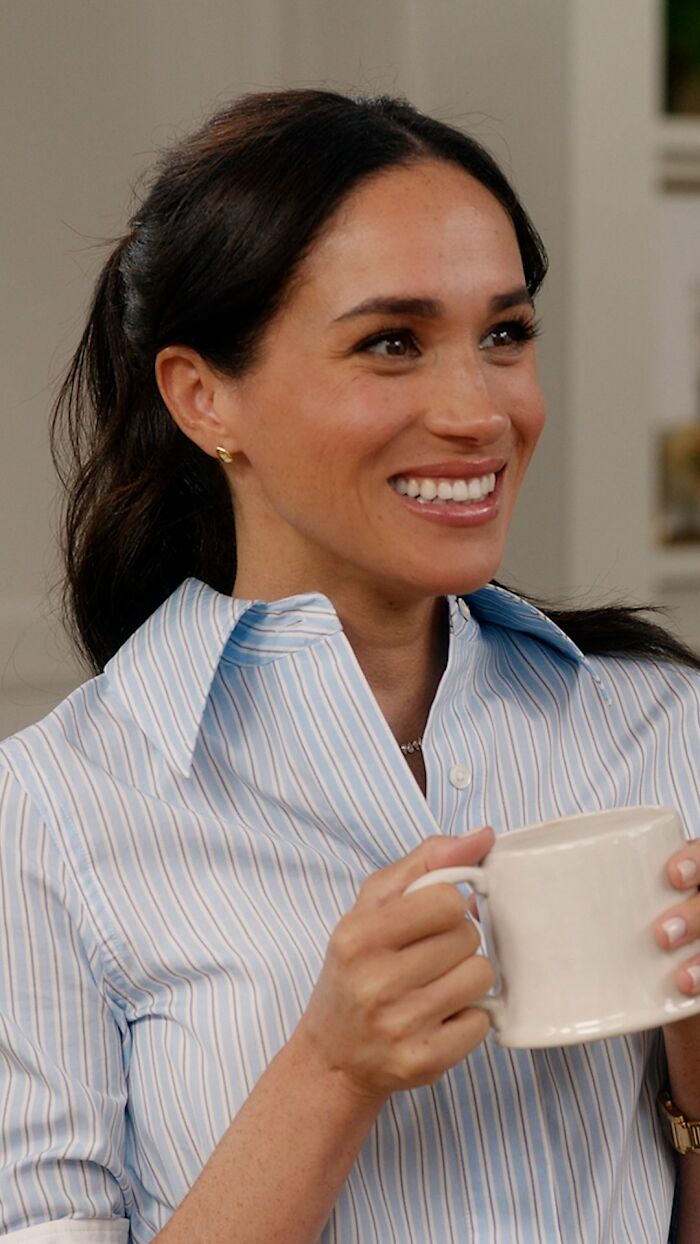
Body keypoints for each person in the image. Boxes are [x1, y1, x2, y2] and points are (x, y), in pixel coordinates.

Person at [0, 88, 699, 1244]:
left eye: (504, 334)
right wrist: (328, 1072)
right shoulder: (49, 814)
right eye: (391, 343)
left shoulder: (665, 729)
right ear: (202, 395)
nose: (479, 409)